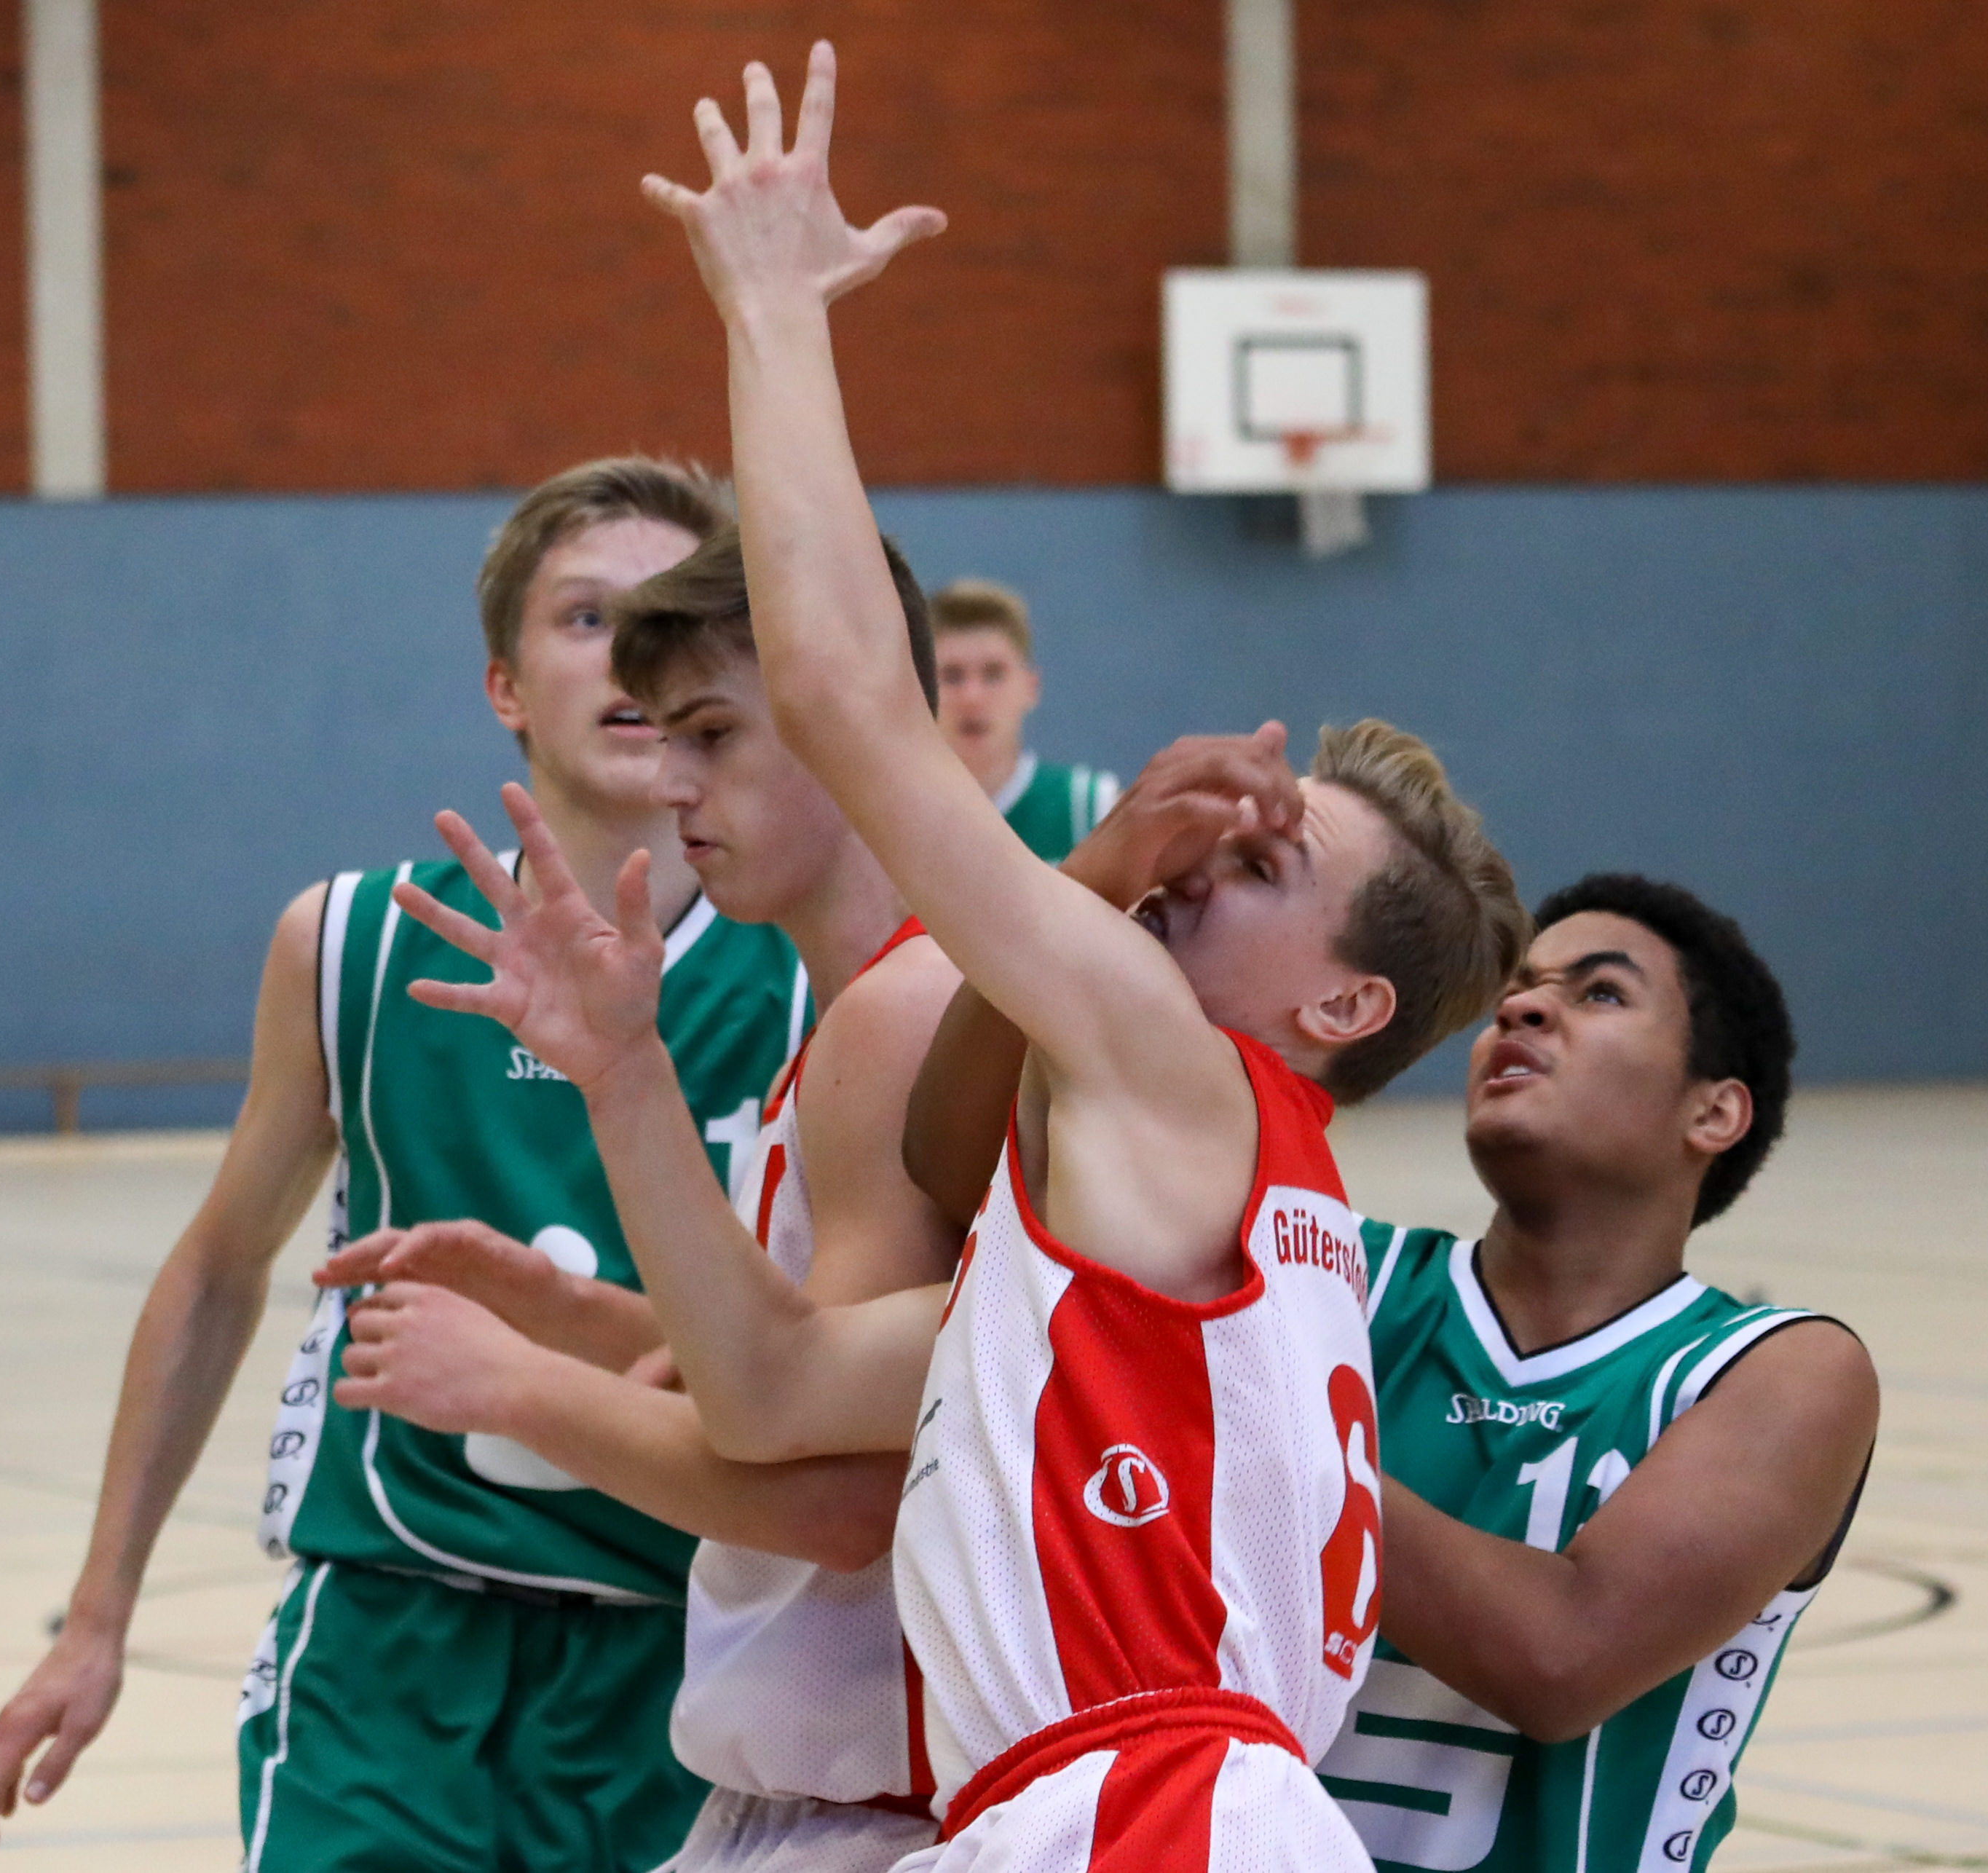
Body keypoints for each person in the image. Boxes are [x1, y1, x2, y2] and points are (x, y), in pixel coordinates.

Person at [386, 44, 1525, 1873]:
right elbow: (768, 1389)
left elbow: (845, 691)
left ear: (1341, 1005)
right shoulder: (1147, 1247)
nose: (1205, 848)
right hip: (1117, 1806)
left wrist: (775, 311)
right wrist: (624, 1070)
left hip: (1142, 1807)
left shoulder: (1182, 1080)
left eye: (1266, 857)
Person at [0, 458, 814, 1873]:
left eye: (665, 620)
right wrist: (98, 1614)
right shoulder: (349, 944)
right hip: (389, 1643)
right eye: (585, 617)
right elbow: (218, 1268)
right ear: (503, 685)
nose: (627, 655)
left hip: (683, 1654)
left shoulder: (809, 975)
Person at [902, 878, 1879, 1873]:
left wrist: (1246, 1421)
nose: (1523, 1008)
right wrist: (1093, 888)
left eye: (1598, 993)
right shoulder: (1331, 1265)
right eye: (1519, 988)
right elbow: (953, 1165)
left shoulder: (1780, 1370)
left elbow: (1562, 1656)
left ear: (1713, 1111)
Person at [317, 524, 965, 1873]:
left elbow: (835, 1501)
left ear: (853, 715)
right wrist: (578, 1315)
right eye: (665, 738)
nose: (670, 783)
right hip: (813, 1802)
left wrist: (514, 1384)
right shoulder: (847, 1016)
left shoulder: (903, 1013)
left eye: (711, 736)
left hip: (893, 1809)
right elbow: (822, 1387)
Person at [929, 577, 1117, 861]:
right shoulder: (883, 815)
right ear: (920, 689)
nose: (972, 697)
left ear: (1031, 688)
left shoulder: (1093, 809)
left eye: (993, 674)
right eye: (952, 676)